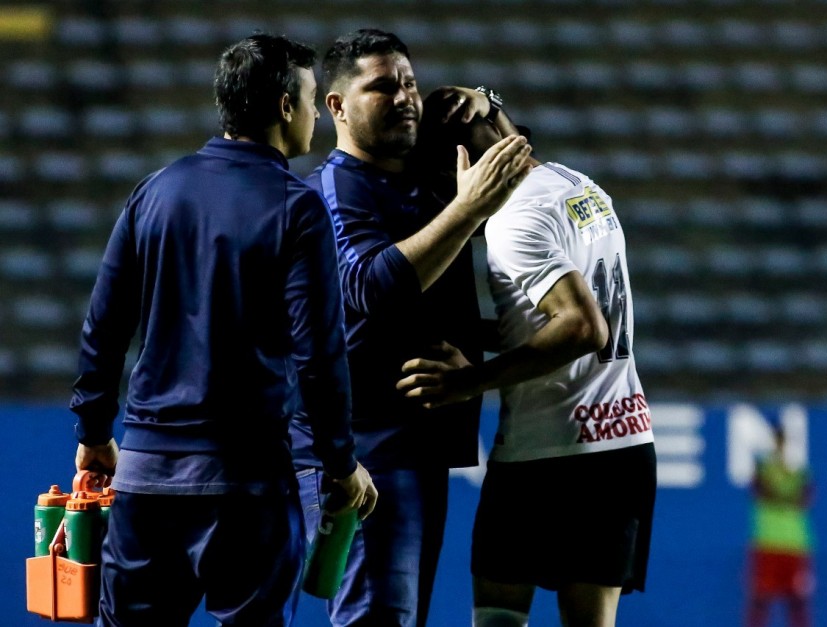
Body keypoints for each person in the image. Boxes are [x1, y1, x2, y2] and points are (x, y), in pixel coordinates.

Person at [68, 34, 376, 627]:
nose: (316, 114)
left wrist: (93, 429)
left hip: (145, 480)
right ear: (286, 107)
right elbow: (318, 354)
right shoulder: (296, 206)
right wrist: (340, 465)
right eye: (312, 99)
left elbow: (103, 327)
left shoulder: (153, 192)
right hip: (247, 489)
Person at [289, 28, 531, 627]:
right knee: (376, 619)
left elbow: (523, 173)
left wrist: (484, 102)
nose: (404, 98)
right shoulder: (336, 189)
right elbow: (371, 287)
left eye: (410, 83)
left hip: (414, 447)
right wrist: (466, 208)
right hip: (366, 452)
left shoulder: (421, 173)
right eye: (381, 87)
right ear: (336, 106)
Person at [397, 87, 657, 627]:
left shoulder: (512, 221)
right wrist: (473, 334)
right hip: (622, 443)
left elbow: (583, 326)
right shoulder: (576, 184)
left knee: (496, 620)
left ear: (460, 163)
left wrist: (469, 382)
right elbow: (556, 320)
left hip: (549, 449)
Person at [745, 423, 815, 627]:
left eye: (782, 440)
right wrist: (785, 495)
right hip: (767, 542)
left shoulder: (800, 471)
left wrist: (783, 494)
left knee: (798, 603)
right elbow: (761, 490)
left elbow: (805, 498)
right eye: (776, 440)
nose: (780, 445)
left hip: (794, 544)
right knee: (761, 601)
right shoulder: (763, 468)